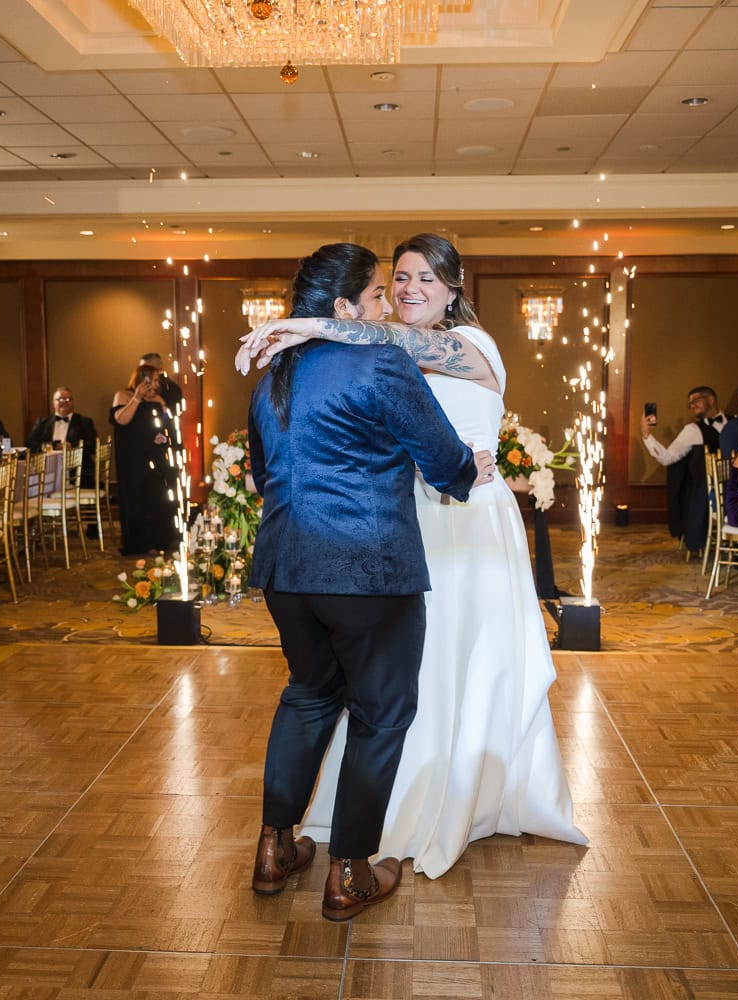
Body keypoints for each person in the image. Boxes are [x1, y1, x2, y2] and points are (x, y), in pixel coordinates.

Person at [239, 233, 586, 883]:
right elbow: (440, 455)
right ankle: (350, 868)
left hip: (360, 551)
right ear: (366, 297)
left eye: (426, 277)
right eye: (395, 280)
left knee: (319, 694)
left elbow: (265, 474)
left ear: (455, 288)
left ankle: (275, 845)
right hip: (384, 549)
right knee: (384, 708)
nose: (406, 289)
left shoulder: (302, 367)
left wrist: (310, 323)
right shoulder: (373, 357)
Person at [641, 386, 725, 554]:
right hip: (707, 495)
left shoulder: (735, 422)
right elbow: (667, 458)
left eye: (696, 401)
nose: (692, 405)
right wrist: (646, 434)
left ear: (711, 399)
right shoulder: (692, 430)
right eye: (690, 404)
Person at [110, 363, 181, 555]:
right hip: (133, 459)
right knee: (137, 498)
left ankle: (159, 540)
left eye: (158, 380)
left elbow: (167, 424)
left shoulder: (159, 399)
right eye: (154, 380)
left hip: (156, 457)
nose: (157, 384)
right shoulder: (123, 395)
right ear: (142, 380)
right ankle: (138, 541)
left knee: (157, 498)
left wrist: (164, 436)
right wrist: (137, 398)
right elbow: (121, 420)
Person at [27, 387, 99, 488]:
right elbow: (29, 443)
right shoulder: (42, 422)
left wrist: (72, 446)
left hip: (77, 472)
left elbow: (93, 445)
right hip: (45, 470)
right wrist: (50, 446)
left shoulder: (84, 422)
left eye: (68, 399)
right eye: (60, 399)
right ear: (53, 403)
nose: (64, 402)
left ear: (73, 402)